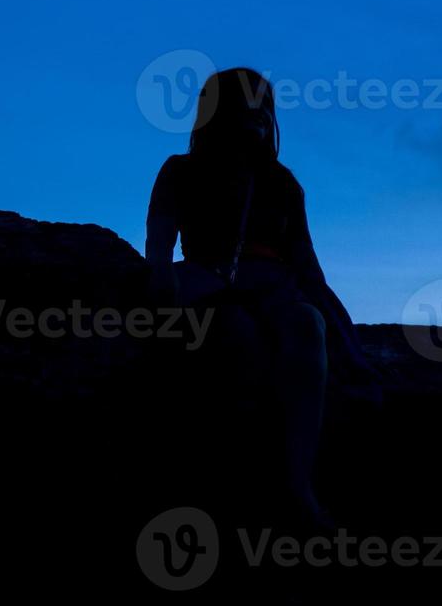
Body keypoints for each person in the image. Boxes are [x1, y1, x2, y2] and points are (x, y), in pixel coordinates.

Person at [146, 67, 378, 528]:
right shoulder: (182, 170)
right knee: (238, 338)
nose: (254, 114)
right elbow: (160, 241)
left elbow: (307, 264)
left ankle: (298, 484)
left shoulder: (282, 183)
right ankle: (243, 482)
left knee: (306, 329)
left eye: (260, 105)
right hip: (210, 282)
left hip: (274, 285)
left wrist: (343, 335)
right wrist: (162, 283)